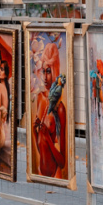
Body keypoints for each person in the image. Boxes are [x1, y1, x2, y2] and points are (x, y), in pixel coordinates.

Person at [32, 42, 66, 179]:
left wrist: (48, 140)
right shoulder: (40, 98)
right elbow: (41, 149)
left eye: (49, 72)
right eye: (44, 71)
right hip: (41, 172)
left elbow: (62, 162)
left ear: (55, 71)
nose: (45, 78)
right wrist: (36, 134)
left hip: (55, 174)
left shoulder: (60, 108)